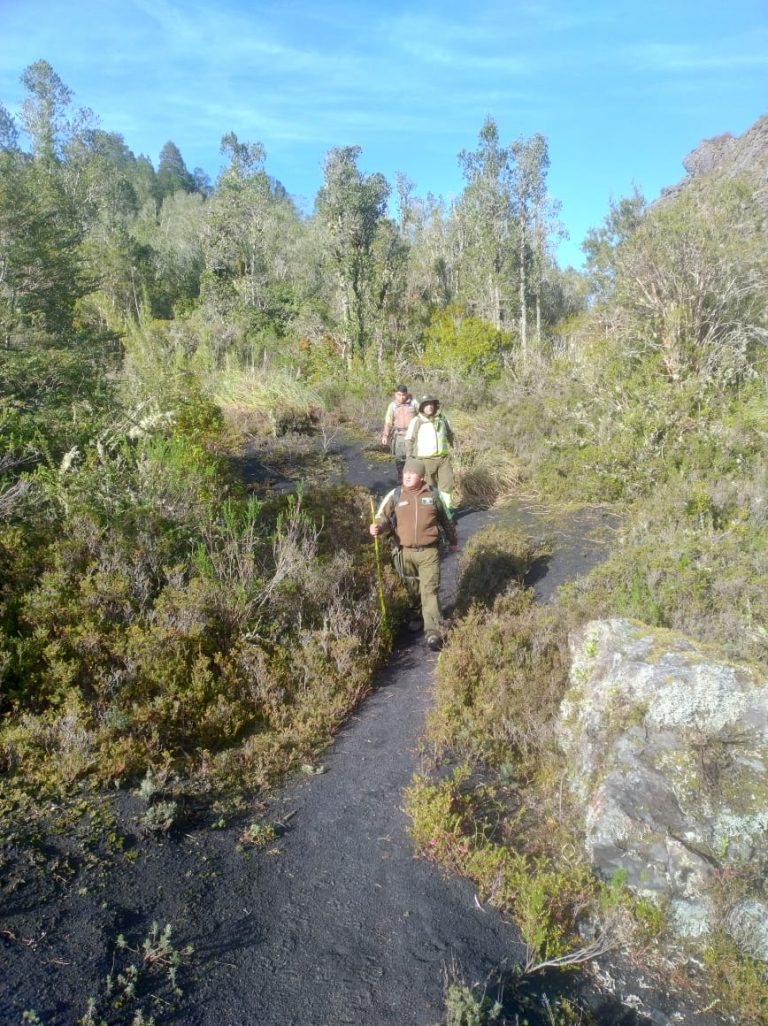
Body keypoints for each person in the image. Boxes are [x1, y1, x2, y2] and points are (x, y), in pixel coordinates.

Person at [369, 458, 458, 651]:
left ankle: (433, 633)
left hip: (429, 552)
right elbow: (382, 518)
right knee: (412, 590)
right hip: (404, 553)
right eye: (405, 473)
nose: (407, 476)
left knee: (430, 590)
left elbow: (446, 519)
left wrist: (453, 540)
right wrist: (377, 527)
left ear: (421, 476)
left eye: (412, 473)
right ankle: (416, 614)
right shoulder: (395, 495)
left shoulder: (433, 495)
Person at [404, 395, 457, 518]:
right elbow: (409, 440)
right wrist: (409, 458)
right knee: (428, 488)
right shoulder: (417, 421)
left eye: (432, 404)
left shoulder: (442, 419)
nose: (430, 406)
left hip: (443, 459)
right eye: (426, 404)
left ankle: (446, 512)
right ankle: (430, 514)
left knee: (447, 485)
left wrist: (456, 448)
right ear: (422, 407)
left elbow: (450, 434)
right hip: (425, 460)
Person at [381, 384, 418, 483]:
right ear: (395, 394)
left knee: (413, 457)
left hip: (413, 436)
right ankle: (401, 478)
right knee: (399, 458)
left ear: (407, 394)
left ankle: (413, 479)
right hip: (399, 435)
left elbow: (421, 417)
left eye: (403, 395)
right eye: (399, 395)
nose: (401, 397)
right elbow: (388, 421)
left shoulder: (414, 403)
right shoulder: (392, 406)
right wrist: (385, 435)